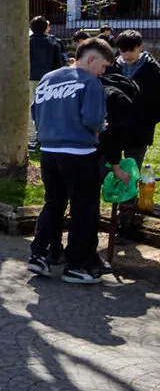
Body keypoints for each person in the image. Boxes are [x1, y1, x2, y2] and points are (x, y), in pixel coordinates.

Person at [27, 38, 115, 284]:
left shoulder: (48, 78)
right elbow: (92, 119)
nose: (103, 71)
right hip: (79, 152)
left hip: (49, 151)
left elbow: (35, 112)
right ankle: (76, 265)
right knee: (83, 210)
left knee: (53, 204)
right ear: (92, 59)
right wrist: (100, 126)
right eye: (103, 66)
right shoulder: (91, 83)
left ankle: (39, 253)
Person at [109, 29, 160, 168]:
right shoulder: (111, 68)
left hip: (140, 130)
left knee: (132, 172)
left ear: (140, 48)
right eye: (123, 50)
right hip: (114, 129)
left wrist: (149, 121)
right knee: (109, 172)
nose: (127, 54)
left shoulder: (153, 69)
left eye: (132, 50)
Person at [28, 17, 66, 149]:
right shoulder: (53, 43)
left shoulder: (26, 43)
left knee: (29, 108)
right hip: (49, 80)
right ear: (46, 27)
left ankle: (31, 139)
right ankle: (46, 135)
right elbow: (59, 64)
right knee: (48, 108)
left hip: (30, 78)